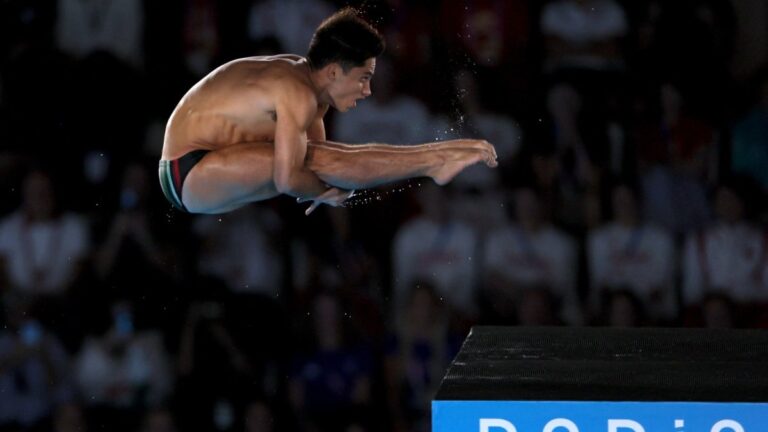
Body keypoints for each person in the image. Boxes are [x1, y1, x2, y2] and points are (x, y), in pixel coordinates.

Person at [159, 8, 497, 216]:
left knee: (322, 159)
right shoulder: (297, 92)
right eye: (363, 79)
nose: (367, 91)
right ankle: (435, 161)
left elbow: (327, 160)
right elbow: (290, 178)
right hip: (187, 169)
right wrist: (322, 190)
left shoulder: (308, 87)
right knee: (313, 164)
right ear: (334, 72)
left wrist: (325, 185)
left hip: (204, 157)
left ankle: (435, 158)